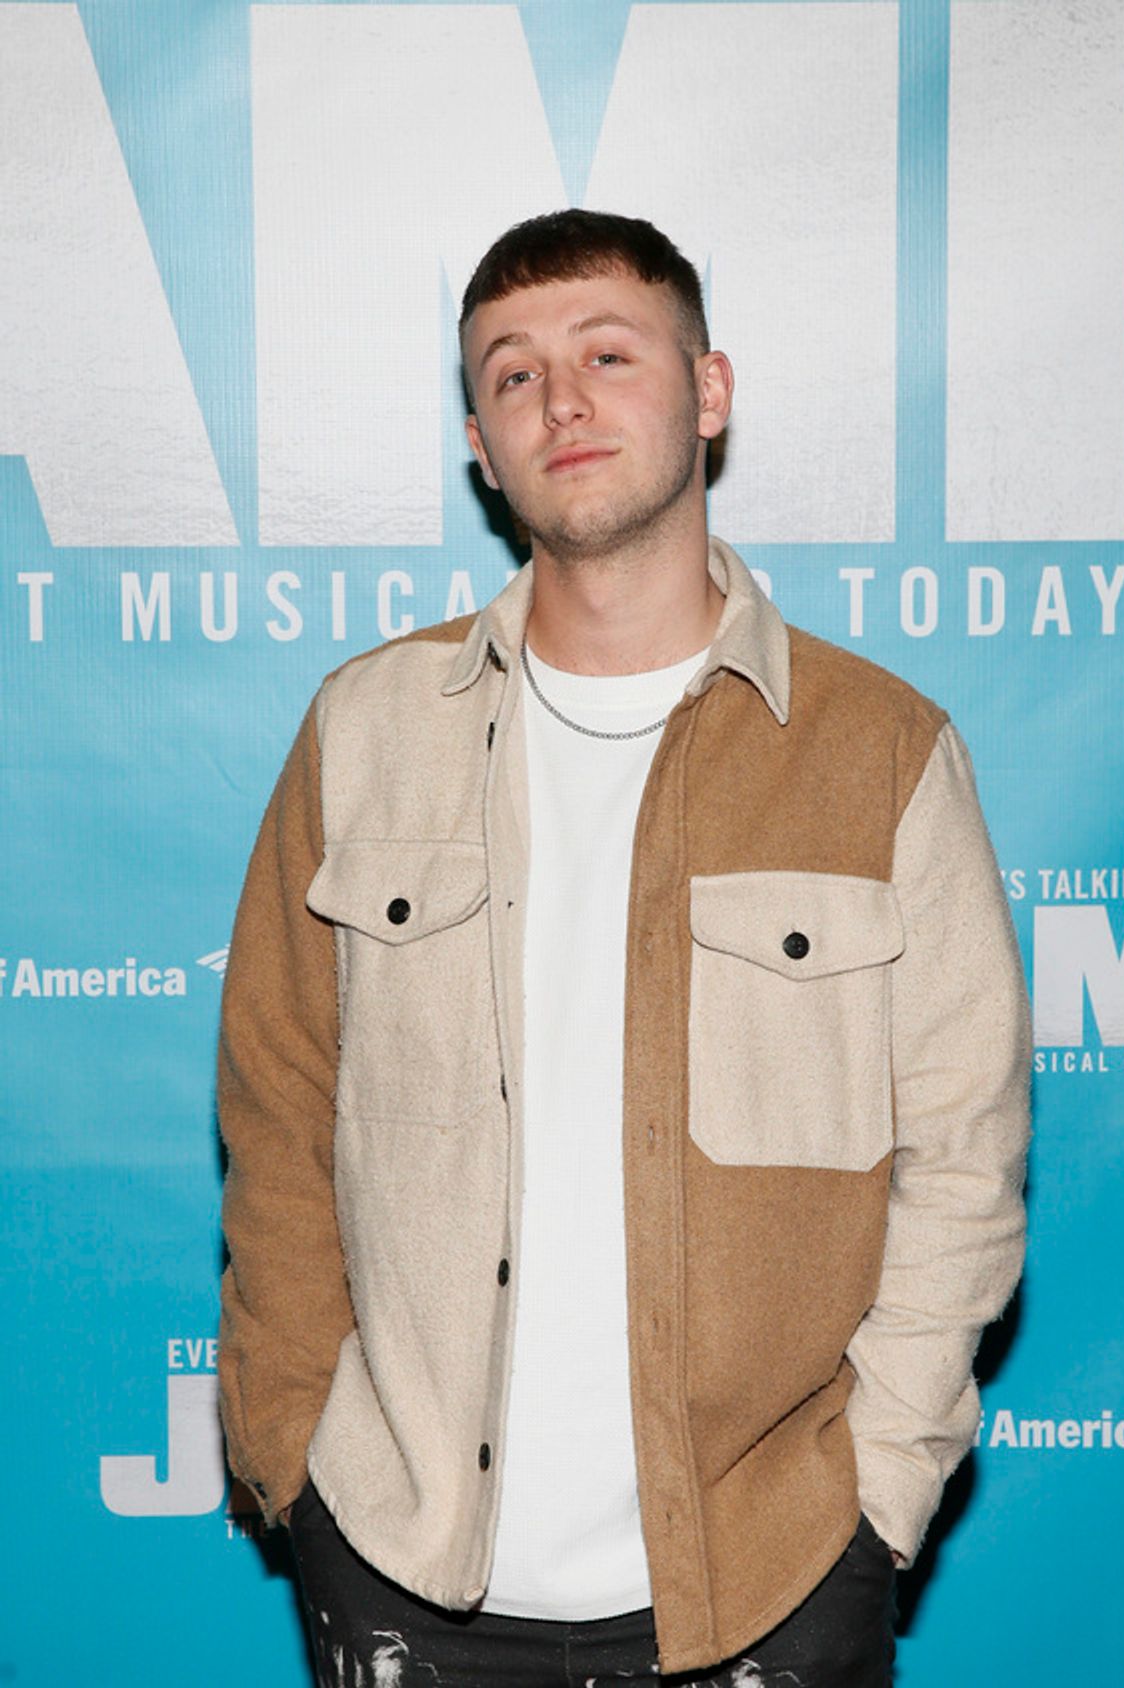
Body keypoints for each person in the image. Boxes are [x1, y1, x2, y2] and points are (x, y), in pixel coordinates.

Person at [217, 209, 1031, 1687]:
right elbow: (278, 1106)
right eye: (513, 375)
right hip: (405, 1570)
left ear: (709, 393)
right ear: (481, 441)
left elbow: (963, 1158)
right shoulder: (365, 732)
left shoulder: (880, 753)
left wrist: (877, 1502)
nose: (564, 400)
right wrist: (298, 1452)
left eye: (608, 353)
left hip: (772, 1578)